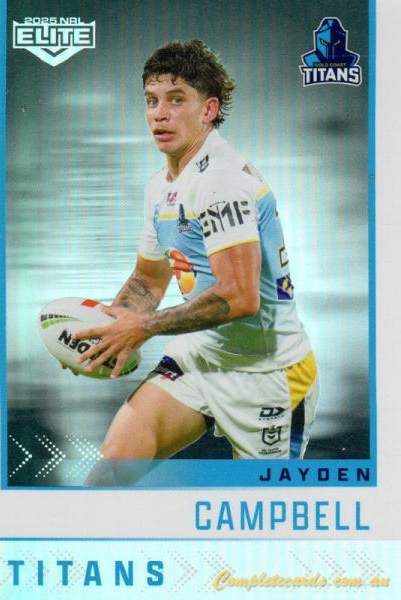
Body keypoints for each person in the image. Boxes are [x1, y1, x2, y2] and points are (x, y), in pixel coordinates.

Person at [73, 40, 319, 484]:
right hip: (200, 356)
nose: (159, 114)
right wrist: (104, 335)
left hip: (268, 376)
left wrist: (143, 328)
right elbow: (148, 282)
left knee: (260, 515)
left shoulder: (221, 180)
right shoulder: (160, 186)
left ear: (208, 110)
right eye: (151, 101)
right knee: (112, 469)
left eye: (175, 100)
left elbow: (239, 297)